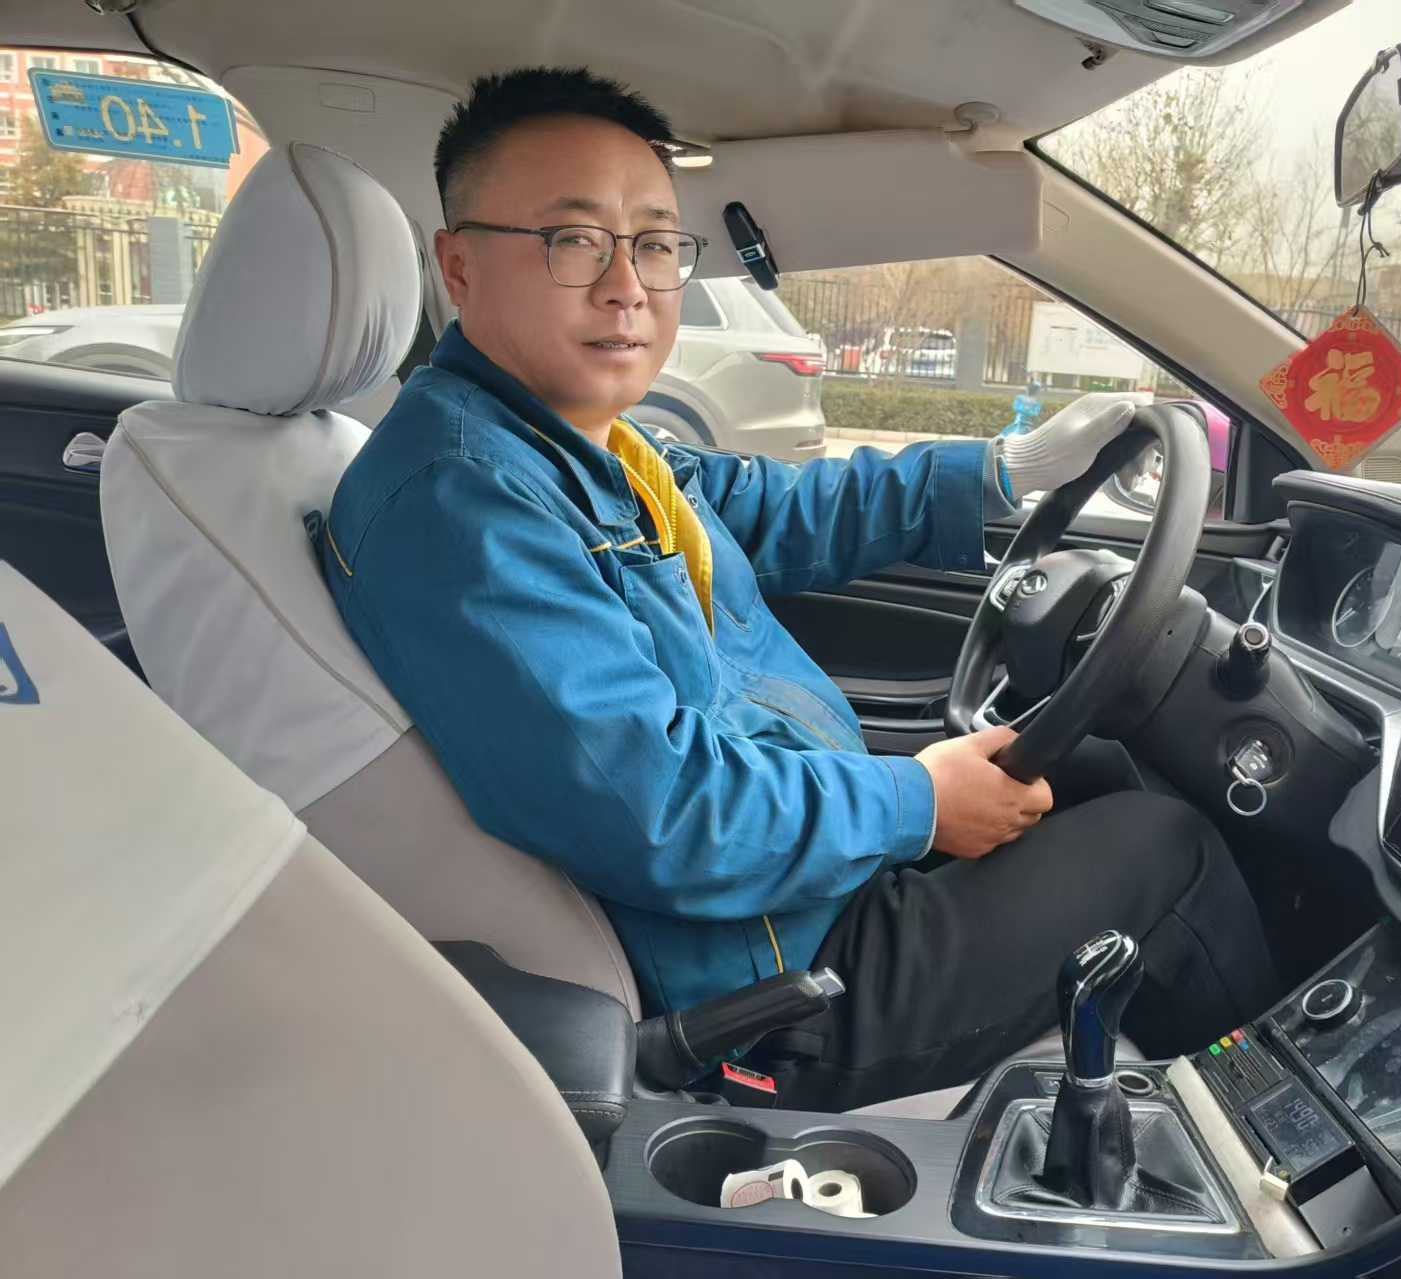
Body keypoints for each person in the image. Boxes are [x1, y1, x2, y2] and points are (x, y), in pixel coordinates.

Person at [319, 66, 1276, 1112]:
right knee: (1168, 852)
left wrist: (1004, 471)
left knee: (1099, 763)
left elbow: (766, 508)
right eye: (573, 240)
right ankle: (1272, 1143)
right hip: (773, 985)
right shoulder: (463, 500)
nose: (627, 286)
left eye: (652, 243)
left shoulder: (572, 442)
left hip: (795, 878)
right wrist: (916, 803)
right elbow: (661, 810)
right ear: (458, 266)